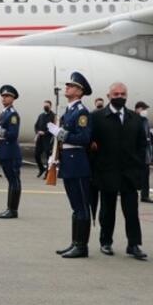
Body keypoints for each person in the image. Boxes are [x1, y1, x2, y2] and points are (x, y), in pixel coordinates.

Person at [89, 83, 148, 260]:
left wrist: (138, 165)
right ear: (108, 96)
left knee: (131, 211)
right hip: (106, 172)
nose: (119, 97)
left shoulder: (135, 118)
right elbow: (90, 144)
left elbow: (141, 145)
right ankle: (106, 242)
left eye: (123, 94)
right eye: (116, 94)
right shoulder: (97, 117)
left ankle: (134, 244)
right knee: (107, 210)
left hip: (129, 173)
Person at [48, 72, 93, 258]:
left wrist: (61, 134)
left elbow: (84, 138)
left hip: (78, 163)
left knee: (81, 206)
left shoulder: (81, 111)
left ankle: (82, 246)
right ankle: (75, 243)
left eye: (71, 85)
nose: (67, 87)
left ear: (79, 91)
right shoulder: (69, 111)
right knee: (75, 207)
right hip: (68, 161)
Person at [0, 85, 22, 218]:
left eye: (7, 96)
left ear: (13, 99)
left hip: (11, 152)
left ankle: (13, 210)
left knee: (14, 181)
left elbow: (13, 134)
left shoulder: (13, 114)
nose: (4, 98)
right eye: (3, 96)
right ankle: (9, 208)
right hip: (4, 150)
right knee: (11, 181)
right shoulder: (3, 113)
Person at [134, 101, 153, 203]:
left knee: (145, 174)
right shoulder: (133, 119)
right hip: (136, 151)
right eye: (143, 109)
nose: (145, 111)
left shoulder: (145, 120)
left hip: (145, 152)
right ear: (137, 109)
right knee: (134, 173)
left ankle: (145, 195)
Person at [34, 100, 55, 178]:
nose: (45, 107)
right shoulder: (41, 115)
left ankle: (47, 173)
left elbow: (54, 128)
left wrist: (45, 133)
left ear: (50, 106)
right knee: (36, 155)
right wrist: (37, 132)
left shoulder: (53, 116)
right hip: (40, 139)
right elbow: (36, 125)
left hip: (48, 139)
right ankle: (41, 169)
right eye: (44, 105)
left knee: (48, 156)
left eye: (47, 106)